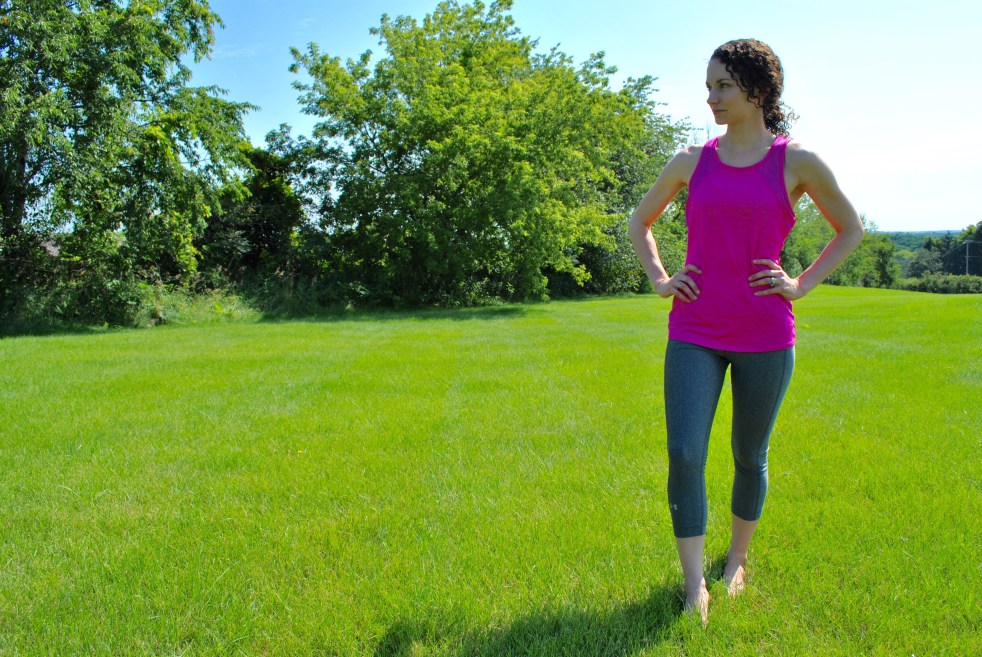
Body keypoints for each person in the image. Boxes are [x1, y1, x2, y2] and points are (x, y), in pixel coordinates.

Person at [629, 38, 864, 625]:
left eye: (724, 86)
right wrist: (661, 278)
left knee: (748, 454)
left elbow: (850, 228)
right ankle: (694, 586)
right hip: (695, 327)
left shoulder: (796, 161)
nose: (712, 98)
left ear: (758, 91)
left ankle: (736, 560)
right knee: (685, 452)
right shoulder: (691, 160)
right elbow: (640, 221)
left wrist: (800, 283)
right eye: (708, 87)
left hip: (765, 332)